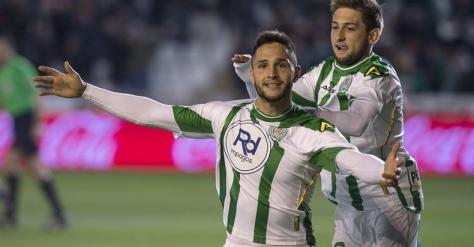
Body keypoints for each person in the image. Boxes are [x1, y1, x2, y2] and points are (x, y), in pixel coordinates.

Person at [34, 30, 403, 246]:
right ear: (253, 73)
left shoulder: (312, 130)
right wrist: (86, 91)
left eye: (280, 65)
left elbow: (351, 160)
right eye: (262, 65)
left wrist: (382, 171)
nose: (271, 73)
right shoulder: (225, 115)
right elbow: (151, 112)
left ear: (296, 73)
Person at [232, 1, 423, 247]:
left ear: (373, 35)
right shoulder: (324, 72)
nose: (339, 36)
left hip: (388, 200)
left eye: (350, 28)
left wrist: (308, 115)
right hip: (348, 204)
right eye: (335, 27)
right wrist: (251, 77)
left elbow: (357, 122)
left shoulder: (378, 75)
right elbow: (274, 107)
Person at [0, 36, 67, 229]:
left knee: (33, 166)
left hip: (26, 119)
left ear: (8, 48)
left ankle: (59, 214)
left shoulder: (19, 66)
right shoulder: (3, 72)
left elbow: (36, 92)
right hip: (17, 121)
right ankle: (12, 216)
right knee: (12, 166)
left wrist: (38, 123)